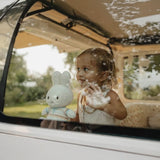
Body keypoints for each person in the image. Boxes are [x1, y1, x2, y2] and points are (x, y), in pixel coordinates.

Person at [73, 48, 127, 125]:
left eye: (85, 69)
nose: (80, 74)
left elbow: (123, 114)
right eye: (78, 69)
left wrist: (104, 106)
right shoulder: (81, 95)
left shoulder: (110, 95)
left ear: (103, 76)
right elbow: (78, 116)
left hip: (104, 136)